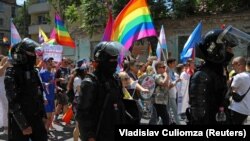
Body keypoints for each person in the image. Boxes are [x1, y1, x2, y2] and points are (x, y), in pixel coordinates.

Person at [76, 41, 127, 141]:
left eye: (115, 59)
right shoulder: (90, 82)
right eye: (110, 60)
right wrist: (89, 136)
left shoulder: (115, 80)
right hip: (100, 134)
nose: (114, 63)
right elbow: (82, 114)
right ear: (101, 60)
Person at [188, 27, 237, 124]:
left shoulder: (219, 72)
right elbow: (199, 115)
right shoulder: (201, 76)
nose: (232, 53)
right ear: (216, 50)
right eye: (228, 48)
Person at [4, 38, 47, 141]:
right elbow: (13, 101)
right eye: (31, 53)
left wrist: (43, 115)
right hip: (20, 121)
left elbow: (39, 94)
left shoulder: (34, 72)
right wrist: (23, 125)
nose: (34, 55)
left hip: (36, 117)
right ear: (21, 55)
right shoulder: (12, 73)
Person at [228, 57, 250, 124]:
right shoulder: (248, 75)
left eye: (233, 65)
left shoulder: (239, 77)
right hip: (246, 109)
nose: (232, 68)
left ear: (238, 64)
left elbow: (230, 90)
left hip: (237, 109)